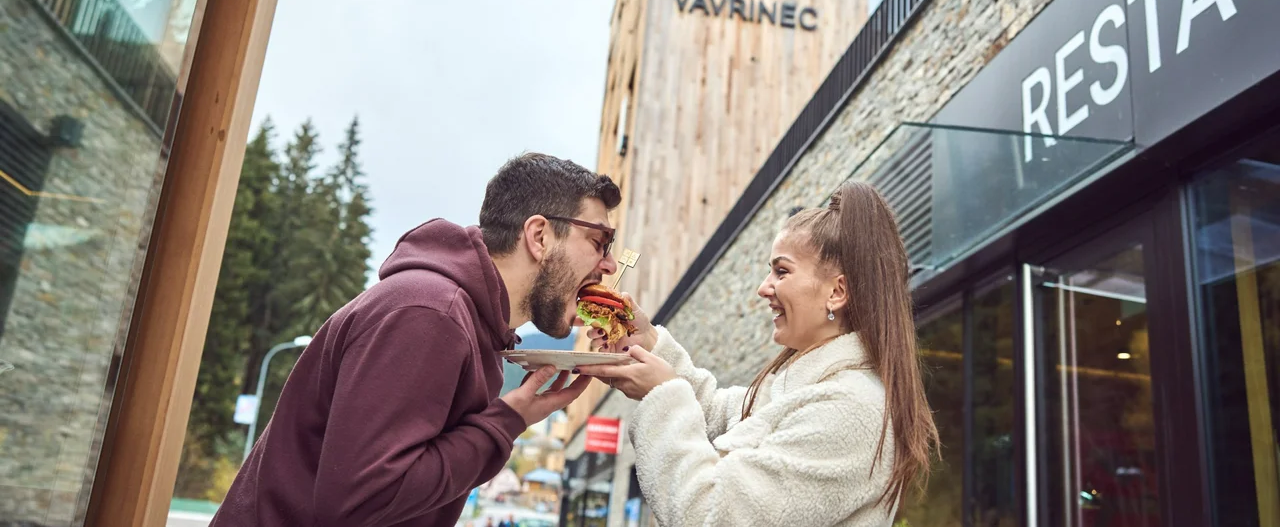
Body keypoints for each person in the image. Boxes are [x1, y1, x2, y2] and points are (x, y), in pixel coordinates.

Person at [212, 153, 618, 527]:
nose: (610, 264)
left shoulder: (471, 327)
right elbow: (360, 500)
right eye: (600, 242)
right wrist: (507, 420)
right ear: (540, 236)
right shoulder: (429, 313)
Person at [578, 181, 939, 526]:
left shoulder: (850, 410)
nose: (763, 288)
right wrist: (649, 342)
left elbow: (706, 516)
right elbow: (718, 412)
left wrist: (662, 393)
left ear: (836, 292)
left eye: (781, 271)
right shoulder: (798, 385)